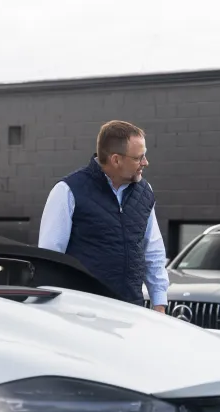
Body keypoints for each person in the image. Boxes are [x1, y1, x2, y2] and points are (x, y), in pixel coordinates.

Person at [38, 120, 169, 313]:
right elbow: (50, 259)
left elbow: (153, 251)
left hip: (132, 312)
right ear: (116, 159)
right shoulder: (67, 191)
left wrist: (159, 302)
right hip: (83, 313)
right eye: (139, 157)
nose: (145, 163)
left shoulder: (144, 192)